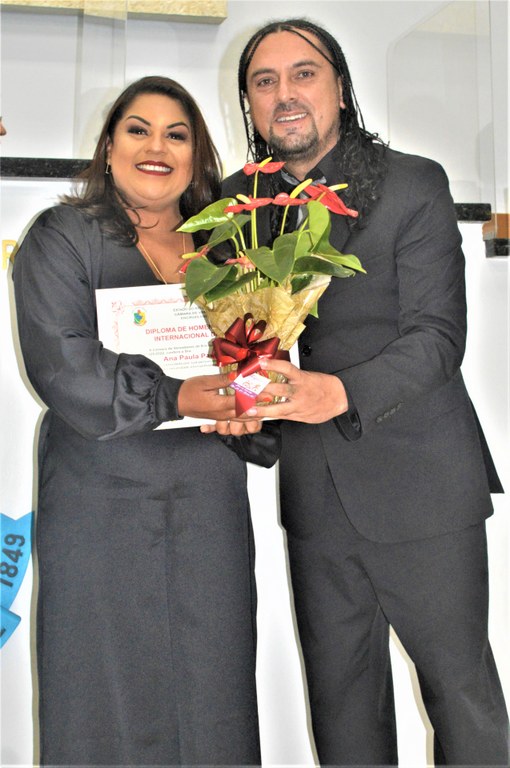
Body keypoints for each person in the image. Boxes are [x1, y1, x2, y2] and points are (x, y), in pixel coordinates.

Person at [222, 18, 509, 766]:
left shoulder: (413, 182)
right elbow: (240, 341)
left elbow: (437, 338)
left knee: (464, 703)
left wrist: (338, 393)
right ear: (249, 104)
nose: (285, 94)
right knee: (342, 714)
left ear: (341, 88)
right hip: (315, 499)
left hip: (423, 489)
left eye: (304, 73)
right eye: (264, 81)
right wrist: (240, 411)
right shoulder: (236, 205)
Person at [13, 75, 269, 766]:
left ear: (196, 157)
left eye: (176, 135)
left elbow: (259, 365)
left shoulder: (229, 255)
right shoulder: (62, 237)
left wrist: (249, 409)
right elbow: (61, 365)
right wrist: (178, 397)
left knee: (214, 691)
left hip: (208, 509)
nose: (157, 147)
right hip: (101, 505)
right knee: (101, 692)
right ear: (109, 146)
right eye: (138, 130)